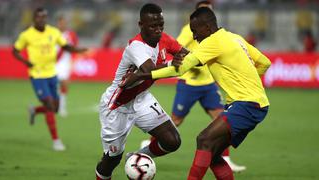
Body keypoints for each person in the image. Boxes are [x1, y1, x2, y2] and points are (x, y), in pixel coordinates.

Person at [121, 7, 271, 180]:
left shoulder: (213, 42)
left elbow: (180, 69)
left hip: (247, 104)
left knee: (203, 139)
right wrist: (250, 81)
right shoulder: (234, 37)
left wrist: (144, 74)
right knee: (212, 154)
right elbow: (264, 63)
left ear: (207, 27)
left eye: (195, 31)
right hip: (252, 103)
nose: (194, 36)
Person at [140, 0, 245, 173]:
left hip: (208, 85)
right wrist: (190, 63)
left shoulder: (214, 33)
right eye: (204, 9)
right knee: (176, 120)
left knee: (222, 120)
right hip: (189, 84)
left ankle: (225, 159)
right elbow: (178, 48)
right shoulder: (189, 30)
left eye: (209, 10)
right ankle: (151, 144)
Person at [95, 3, 187, 180]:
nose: (158, 30)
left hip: (141, 98)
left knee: (172, 140)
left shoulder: (164, 39)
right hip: (117, 105)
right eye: (153, 26)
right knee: (112, 159)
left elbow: (187, 55)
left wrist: (200, 57)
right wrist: (171, 64)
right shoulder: (135, 47)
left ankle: (137, 157)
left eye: (161, 25)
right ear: (141, 25)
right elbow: (149, 71)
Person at [12, 7, 87, 151]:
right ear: (34, 18)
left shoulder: (53, 32)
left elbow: (65, 46)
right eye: (39, 17)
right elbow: (15, 51)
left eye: (44, 17)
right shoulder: (26, 35)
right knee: (49, 105)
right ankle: (56, 141)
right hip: (37, 75)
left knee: (55, 107)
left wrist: (78, 50)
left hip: (51, 74)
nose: (42, 19)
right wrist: (26, 62)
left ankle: (34, 110)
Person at [56, 15, 79, 117]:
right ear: (58, 23)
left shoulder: (71, 35)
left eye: (64, 22)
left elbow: (75, 47)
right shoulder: (53, 33)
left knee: (64, 84)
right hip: (52, 62)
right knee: (52, 85)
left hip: (65, 62)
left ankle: (62, 107)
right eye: (61, 22)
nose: (63, 24)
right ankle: (53, 105)